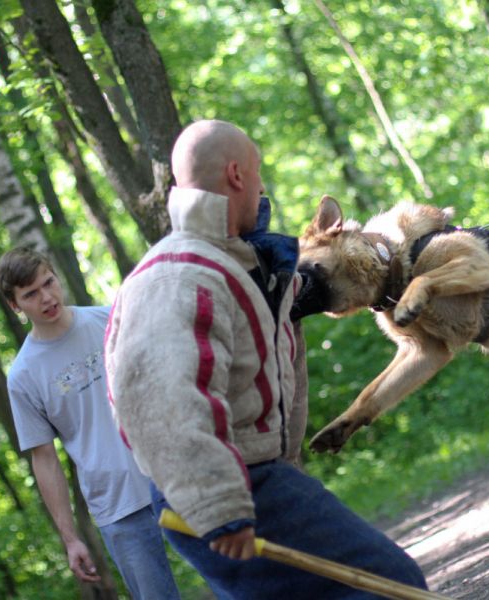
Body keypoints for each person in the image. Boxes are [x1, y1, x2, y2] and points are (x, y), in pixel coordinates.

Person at [104, 119, 428, 598]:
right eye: (257, 173)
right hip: (227, 485)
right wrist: (219, 506)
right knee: (391, 586)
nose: (261, 188)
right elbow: (160, 402)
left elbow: (315, 291)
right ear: (236, 174)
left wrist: (399, 261)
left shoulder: (239, 265)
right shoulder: (176, 277)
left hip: (256, 477)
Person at [0, 248, 180, 599]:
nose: (47, 297)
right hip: (116, 505)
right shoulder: (23, 375)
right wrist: (70, 539)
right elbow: (44, 459)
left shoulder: (109, 320)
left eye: (48, 283)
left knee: (232, 577)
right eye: (31, 294)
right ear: (15, 305)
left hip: (174, 476)